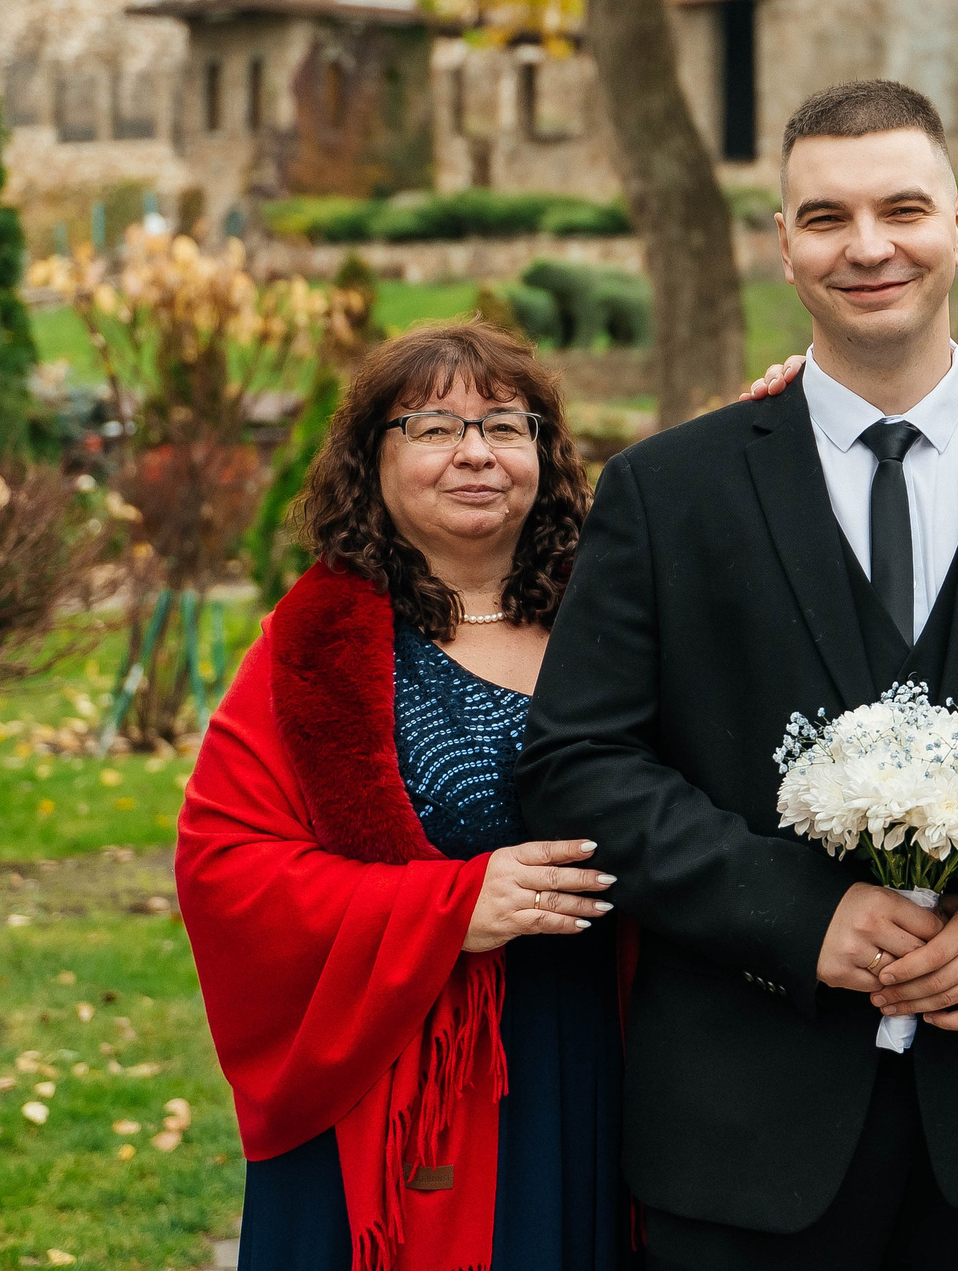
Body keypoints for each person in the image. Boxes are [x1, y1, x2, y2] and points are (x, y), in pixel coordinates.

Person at [516, 79, 958, 1271]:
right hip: (741, 1121)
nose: (869, 246)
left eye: (901, 208)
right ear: (782, 243)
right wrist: (801, 913)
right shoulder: (666, 494)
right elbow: (578, 765)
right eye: (826, 217)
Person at [177, 321, 633, 1271]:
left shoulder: (619, 618)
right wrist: (450, 909)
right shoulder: (318, 651)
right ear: (369, 460)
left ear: (543, 457)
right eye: (431, 428)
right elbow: (226, 871)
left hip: (601, 1056)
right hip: (409, 1086)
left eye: (506, 426)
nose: (475, 452)